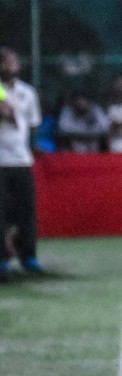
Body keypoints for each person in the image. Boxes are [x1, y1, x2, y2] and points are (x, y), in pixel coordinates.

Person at [0, 48, 42, 278]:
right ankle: (2, 261)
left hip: (21, 160)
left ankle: (28, 256)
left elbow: (32, 123)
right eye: (7, 62)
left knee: (26, 212)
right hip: (0, 161)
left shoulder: (27, 92)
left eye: (14, 62)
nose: (12, 66)